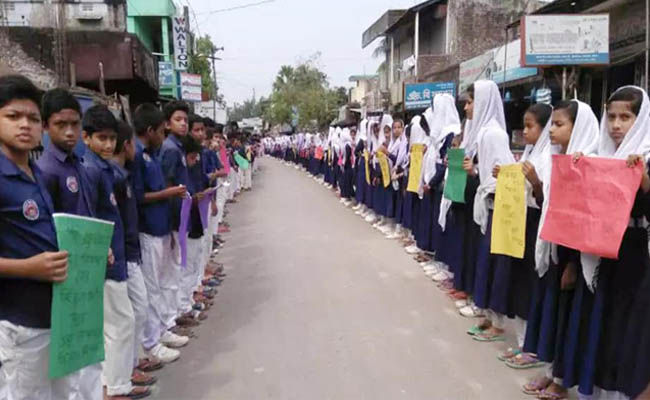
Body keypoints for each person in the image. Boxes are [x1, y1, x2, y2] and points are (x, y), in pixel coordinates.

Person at [0, 75, 80, 400]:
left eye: (33, 118)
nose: (25, 125)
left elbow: (51, 236)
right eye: (13, 116)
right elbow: (34, 259)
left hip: (55, 318)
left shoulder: (36, 175)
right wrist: (28, 268)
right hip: (20, 324)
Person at [521, 99, 599, 399]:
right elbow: (550, 208)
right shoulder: (560, 159)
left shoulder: (586, 162)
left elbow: (582, 220)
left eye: (558, 124)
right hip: (553, 249)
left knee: (569, 319)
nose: (552, 130)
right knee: (554, 315)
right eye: (551, 123)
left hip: (574, 256)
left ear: (577, 127)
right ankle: (552, 369)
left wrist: (573, 265)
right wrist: (538, 185)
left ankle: (562, 379)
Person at [36, 88, 104, 400]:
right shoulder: (47, 170)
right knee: (71, 353)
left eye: (75, 124)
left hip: (86, 268)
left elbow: (86, 215)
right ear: (46, 127)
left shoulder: (79, 164)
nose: (70, 131)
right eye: (61, 124)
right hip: (66, 272)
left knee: (89, 342)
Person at [82, 105, 149, 399]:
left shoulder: (109, 169)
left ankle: (120, 381)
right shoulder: (91, 171)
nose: (108, 145)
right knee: (118, 324)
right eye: (102, 139)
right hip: (105, 259)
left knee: (124, 321)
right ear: (87, 139)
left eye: (112, 139)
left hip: (119, 253)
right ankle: (114, 388)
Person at [131, 103, 188, 361]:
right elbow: (139, 196)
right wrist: (169, 193)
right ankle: (151, 343)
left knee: (164, 281)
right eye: (162, 132)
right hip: (148, 231)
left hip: (162, 227)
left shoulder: (152, 154)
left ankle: (163, 329)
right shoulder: (137, 157)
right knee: (151, 288)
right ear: (151, 130)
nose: (163, 138)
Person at [111, 121, 160, 389]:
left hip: (130, 250)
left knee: (135, 311)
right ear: (127, 144)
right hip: (120, 255)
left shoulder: (124, 173)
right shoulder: (109, 176)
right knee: (128, 316)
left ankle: (131, 365)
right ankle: (123, 374)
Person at [159, 101, 196, 330]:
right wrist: (175, 223)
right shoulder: (171, 149)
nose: (183, 124)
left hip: (180, 215)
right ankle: (170, 320)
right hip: (174, 217)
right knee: (173, 270)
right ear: (166, 123)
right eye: (178, 120)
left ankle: (174, 314)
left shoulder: (178, 147)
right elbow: (169, 186)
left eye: (185, 120)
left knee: (178, 266)